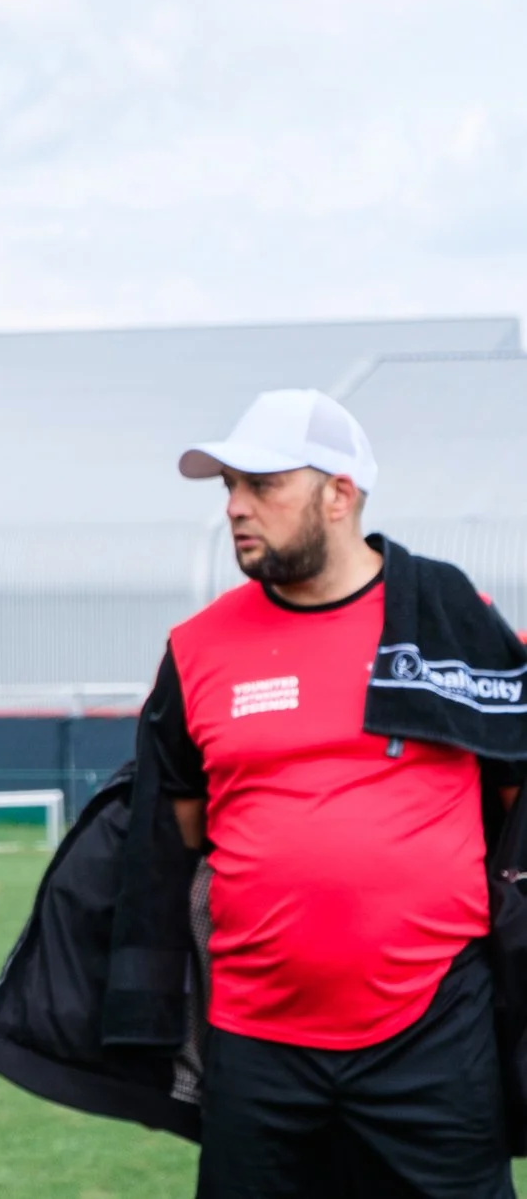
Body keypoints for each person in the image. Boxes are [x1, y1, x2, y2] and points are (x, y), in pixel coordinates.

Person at [145, 389, 521, 1198]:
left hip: (432, 1027)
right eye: (228, 488)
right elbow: (177, 817)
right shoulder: (197, 647)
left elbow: (515, 774)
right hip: (255, 1039)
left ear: (339, 494)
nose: (236, 508)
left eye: (262, 485)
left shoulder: (451, 615)